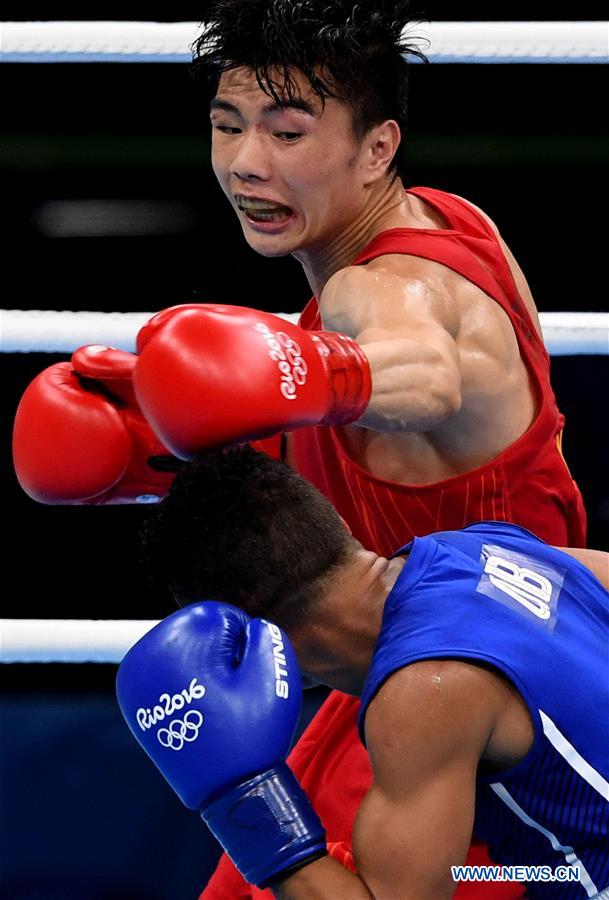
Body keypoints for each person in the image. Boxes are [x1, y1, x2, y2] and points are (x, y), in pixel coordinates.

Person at [12, 0, 587, 895]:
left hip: (461, 700)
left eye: (287, 133)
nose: (246, 163)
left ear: (376, 148)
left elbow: (425, 375)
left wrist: (322, 375)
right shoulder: (450, 219)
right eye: (227, 125)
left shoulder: (380, 291)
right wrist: (153, 450)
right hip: (502, 653)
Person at [118, 446, 609, 899]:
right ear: (331, 519)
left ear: (248, 623)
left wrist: (241, 801)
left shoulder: (422, 689)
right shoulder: (478, 547)